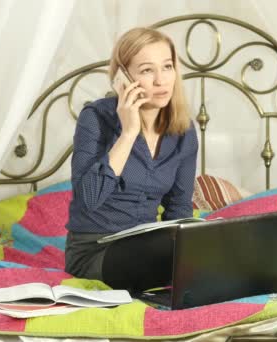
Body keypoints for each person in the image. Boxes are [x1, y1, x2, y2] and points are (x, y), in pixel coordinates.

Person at [65, 27, 198, 293]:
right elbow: (89, 198)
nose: (161, 80)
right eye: (147, 70)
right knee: (171, 263)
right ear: (123, 78)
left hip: (147, 244)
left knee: (211, 252)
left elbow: (179, 209)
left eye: (168, 66)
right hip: (95, 249)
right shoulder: (95, 119)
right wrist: (128, 133)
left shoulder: (184, 131)